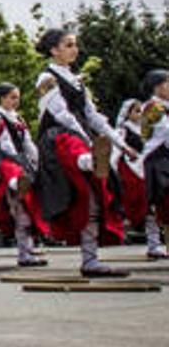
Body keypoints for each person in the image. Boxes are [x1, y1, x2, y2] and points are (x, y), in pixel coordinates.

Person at [32, 28, 133, 277]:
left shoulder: (78, 81)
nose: (74, 49)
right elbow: (60, 114)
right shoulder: (46, 79)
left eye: (75, 44)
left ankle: (90, 260)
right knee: (73, 148)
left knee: (93, 197)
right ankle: (87, 160)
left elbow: (93, 116)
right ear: (54, 50)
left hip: (81, 136)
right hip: (58, 137)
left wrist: (120, 143)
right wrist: (88, 140)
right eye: (68, 45)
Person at [0, 83, 48, 267]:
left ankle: (27, 251)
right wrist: (19, 160)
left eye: (17, 97)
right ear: (2, 98)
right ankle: (15, 183)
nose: (15, 101)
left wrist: (36, 160)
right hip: (3, 161)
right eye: (12, 97)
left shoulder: (18, 118)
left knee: (26, 210)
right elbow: (4, 144)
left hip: (20, 161)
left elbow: (28, 142)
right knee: (19, 205)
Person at [112, 97, 167, 259]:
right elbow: (116, 152)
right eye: (135, 111)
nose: (139, 114)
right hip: (130, 174)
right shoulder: (123, 130)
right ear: (127, 114)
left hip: (146, 172)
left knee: (152, 209)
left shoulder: (147, 130)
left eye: (140, 111)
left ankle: (154, 245)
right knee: (142, 208)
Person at [140, 69, 169, 243]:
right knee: (165, 205)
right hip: (158, 158)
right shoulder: (154, 108)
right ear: (157, 87)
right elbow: (164, 134)